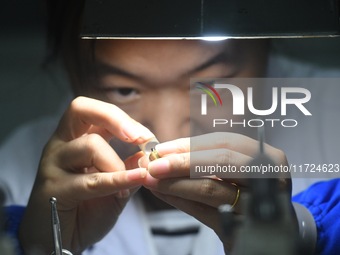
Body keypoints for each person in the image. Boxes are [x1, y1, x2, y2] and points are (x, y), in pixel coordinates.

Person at [1, 1, 339, 255]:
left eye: (211, 85)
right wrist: (39, 244)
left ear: (266, 45)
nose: (166, 132)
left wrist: (305, 233)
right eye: (124, 89)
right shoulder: (16, 174)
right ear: (71, 69)